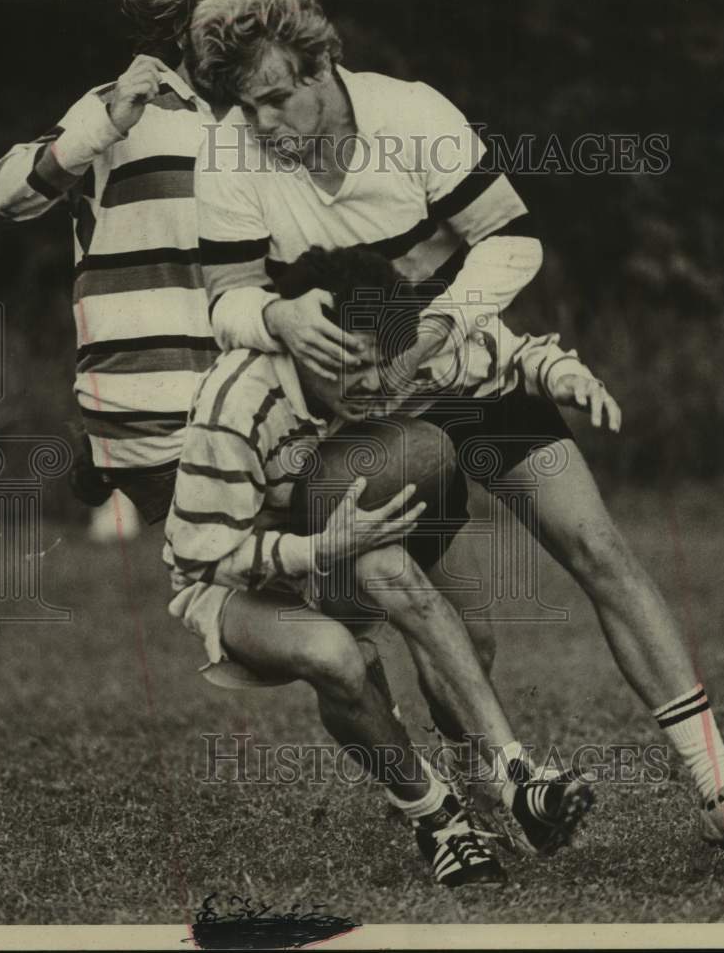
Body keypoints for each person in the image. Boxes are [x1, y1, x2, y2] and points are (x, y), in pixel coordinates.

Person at [187, 0, 724, 858]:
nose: (264, 120)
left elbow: (511, 243)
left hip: (458, 360)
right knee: (458, 622)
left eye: (278, 96)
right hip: (352, 402)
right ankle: (478, 791)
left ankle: (722, 785)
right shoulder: (229, 153)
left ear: (323, 67)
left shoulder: (413, 112)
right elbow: (226, 300)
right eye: (246, 105)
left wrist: (435, 332)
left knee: (596, 542)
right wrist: (278, 321)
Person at [163, 246, 597, 885]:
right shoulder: (237, 399)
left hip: (339, 539)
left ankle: (516, 781)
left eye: (380, 364)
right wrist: (316, 551)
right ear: (307, 344)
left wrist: (557, 370)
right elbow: (203, 553)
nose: (373, 384)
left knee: (462, 627)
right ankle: (436, 819)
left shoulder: (384, 356)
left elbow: (493, 348)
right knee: (338, 658)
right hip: (238, 579)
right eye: (354, 367)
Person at [0, 0, 217, 526]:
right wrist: (106, 124)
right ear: (183, 30)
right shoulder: (122, 105)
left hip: (247, 395)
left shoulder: (274, 118)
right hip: (149, 404)